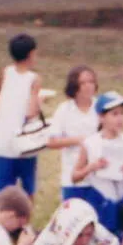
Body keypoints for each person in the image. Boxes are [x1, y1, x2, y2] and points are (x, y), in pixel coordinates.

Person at [0, 33, 43, 196]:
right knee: (27, 187)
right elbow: (31, 112)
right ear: (31, 54)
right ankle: (26, 219)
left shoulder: (4, 73)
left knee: (1, 188)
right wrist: (40, 100)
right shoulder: (34, 79)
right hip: (25, 140)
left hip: (3, 139)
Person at [75, 92, 123, 236]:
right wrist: (91, 167)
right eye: (114, 114)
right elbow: (75, 176)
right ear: (101, 117)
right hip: (99, 201)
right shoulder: (90, 144)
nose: (120, 118)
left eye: (122, 113)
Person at [48, 65, 99, 207]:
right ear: (74, 86)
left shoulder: (100, 107)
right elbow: (52, 142)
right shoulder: (64, 109)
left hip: (98, 176)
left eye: (91, 82)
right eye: (83, 83)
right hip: (72, 175)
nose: (88, 86)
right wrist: (78, 140)